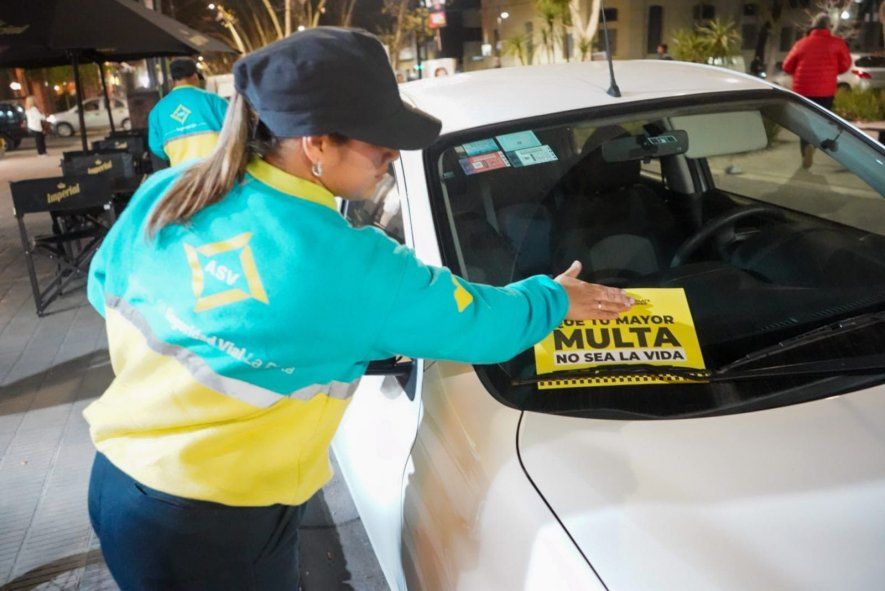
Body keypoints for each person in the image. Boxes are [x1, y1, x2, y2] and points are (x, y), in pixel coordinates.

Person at [84, 27, 633, 590]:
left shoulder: (169, 191)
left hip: (119, 484)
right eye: (380, 141)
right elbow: (483, 327)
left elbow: (103, 289)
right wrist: (556, 297)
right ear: (316, 142)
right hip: (216, 526)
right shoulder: (351, 266)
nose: (393, 156)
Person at [782, 13, 851, 168]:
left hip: (802, 91)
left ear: (813, 26)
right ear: (828, 27)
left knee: (804, 122)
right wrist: (833, 70)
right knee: (822, 120)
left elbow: (787, 66)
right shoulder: (837, 43)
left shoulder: (802, 43)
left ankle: (806, 148)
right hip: (825, 92)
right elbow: (845, 65)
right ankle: (815, 145)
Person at [147, 58, 228, 167]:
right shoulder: (215, 101)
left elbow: (156, 147)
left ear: (172, 79)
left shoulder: (156, 111)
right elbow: (237, 129)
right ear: (195, 76)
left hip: (182, 175)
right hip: (217, 170)